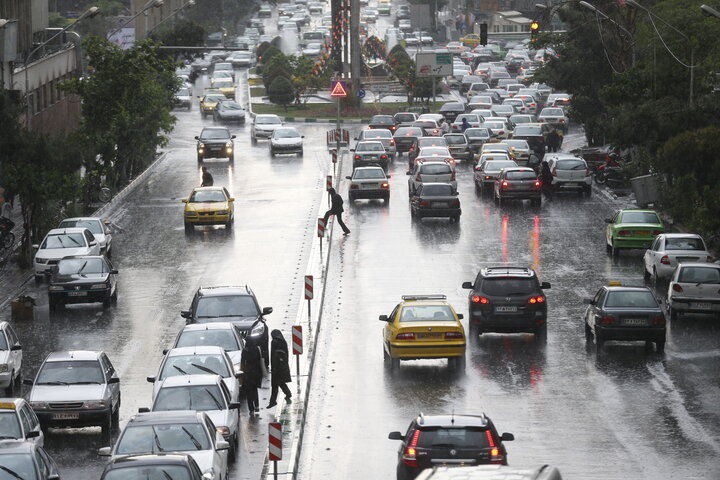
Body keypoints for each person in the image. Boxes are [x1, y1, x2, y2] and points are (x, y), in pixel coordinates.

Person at [267, 329, 292, 408]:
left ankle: (273, 401)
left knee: (275, 385)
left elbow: (272, 355)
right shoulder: (283, 341)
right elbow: (287, 354)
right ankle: (288, 394)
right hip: (283, 366)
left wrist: (273, 367)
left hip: (276, 367)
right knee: (280, 382)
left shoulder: (273, 342)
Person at [241, 344, 263, 416]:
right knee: (254, 390)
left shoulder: (245, 350)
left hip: (248, 374)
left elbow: (242, 362)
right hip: (256, 373)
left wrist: (243, 373)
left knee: (248, 393)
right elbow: (260, 360)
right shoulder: (257, 349)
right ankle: (257, 405)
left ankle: (251, 409)